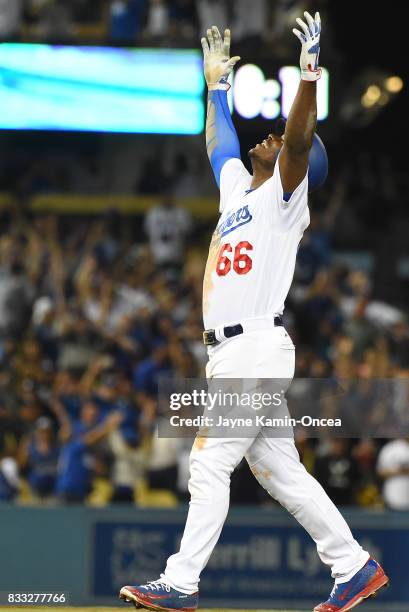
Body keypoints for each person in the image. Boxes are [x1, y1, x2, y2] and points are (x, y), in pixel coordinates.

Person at [119, 14, 389, 612]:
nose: (267, 136)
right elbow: (218, 144)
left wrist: (309, 73)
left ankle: (181, 583)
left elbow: (297, 139)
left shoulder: (285, 196)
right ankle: (353, 565)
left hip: (252, 345)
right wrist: (214, 88)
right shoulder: (240, 187)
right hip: (237, 349)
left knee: (211, 461)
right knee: (279, 471)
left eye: (285, 140)